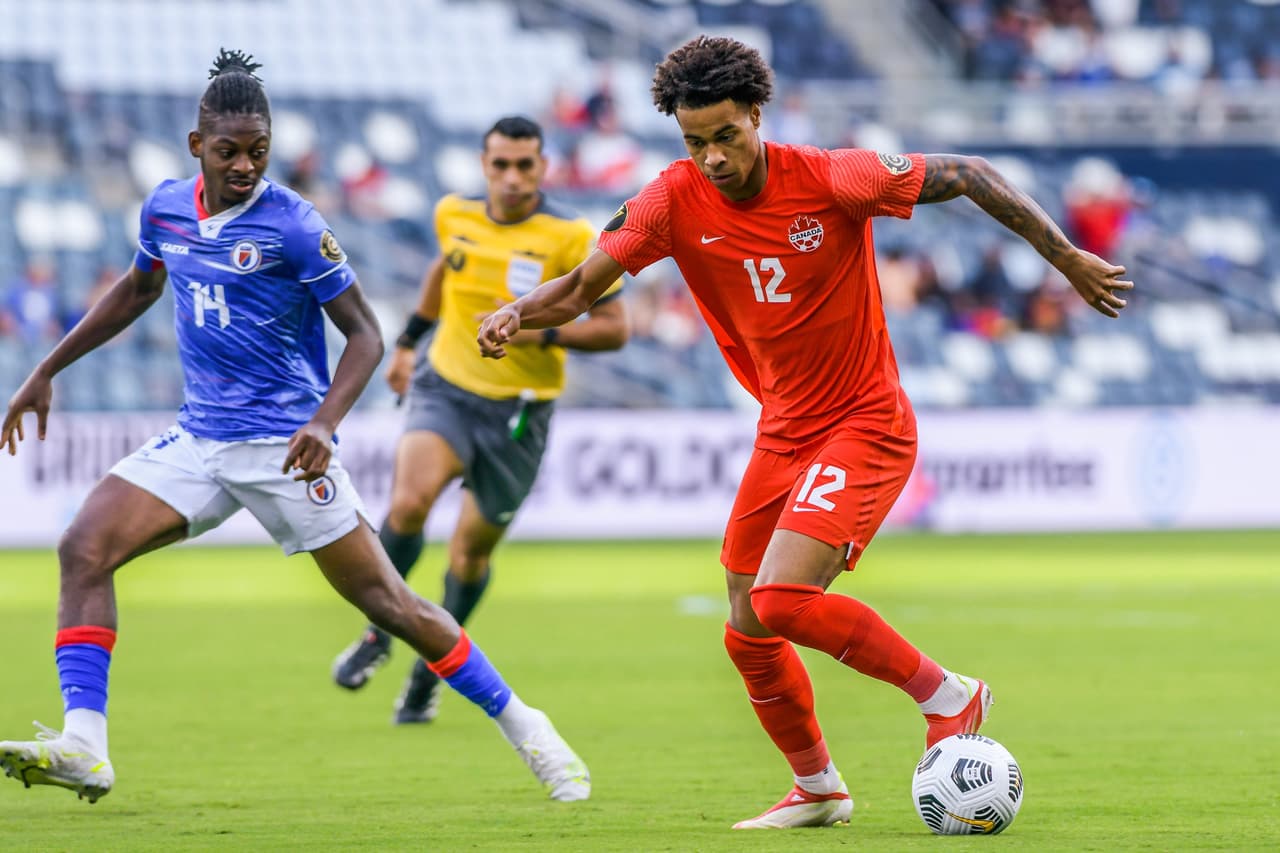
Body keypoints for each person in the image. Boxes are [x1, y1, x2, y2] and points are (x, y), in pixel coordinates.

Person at [478, 35, 1133, 830]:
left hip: (866, 422)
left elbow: (967, 174)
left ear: (757, 114)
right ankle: (819, 787)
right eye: (695, 142)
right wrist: (519, 311)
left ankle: (950, 696)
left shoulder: (830, 176)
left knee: (783, 596)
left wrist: (1065, 257)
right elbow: (585, 285)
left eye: (726, 135)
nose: (713, 157)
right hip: (783, 431)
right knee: (747, 629)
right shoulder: (669, 199)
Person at [0, 50, 589, 805]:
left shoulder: (295, 225)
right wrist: (47, 367)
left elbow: (367, 336)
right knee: (84, 546)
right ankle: (85, 744)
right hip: (200, 437)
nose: (245, 165)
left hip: (284, 445)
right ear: (196, 147)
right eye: (229, 151)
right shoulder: (165, 208)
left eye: (258, 151)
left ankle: (529, 727)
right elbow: (138, 287)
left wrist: (324, 420)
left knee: (390, 604)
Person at [331, 115, 627, 724]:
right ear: (483, 165)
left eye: (525, 165)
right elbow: (446, 269)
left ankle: (430, 669)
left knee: (468, 554)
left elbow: (615, 329)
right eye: (501, 165)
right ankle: (379, 633)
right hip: (448, 388)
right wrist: (410, 341)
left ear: (544, 166)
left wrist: (539, 330)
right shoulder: (453, 214)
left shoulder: (571, 237)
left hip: (520, 413)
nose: (513, 177)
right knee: (408, 504)